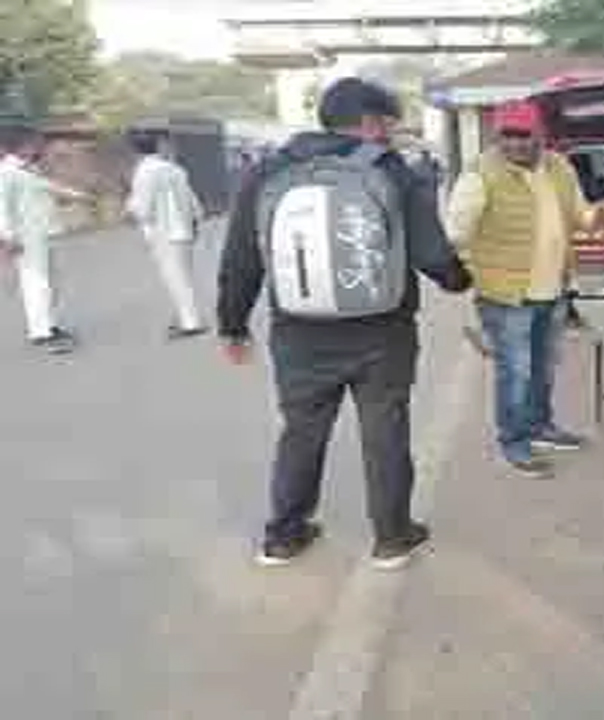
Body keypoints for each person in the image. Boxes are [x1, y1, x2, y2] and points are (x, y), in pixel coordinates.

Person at [217, 77, 472, 569]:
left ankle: (284, 535)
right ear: (370, 122)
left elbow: (241, 258)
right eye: (388, 124)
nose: (391, 134)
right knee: (386, 432)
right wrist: (458, 280)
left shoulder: (268, 171)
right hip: (383, 332)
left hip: (299, 331)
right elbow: (433, 253)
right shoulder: (390, 170)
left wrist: (233, 324)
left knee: (301, 431)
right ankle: (393, 538)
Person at [444, 100, 596, 478]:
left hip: (554, 288)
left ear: (540, 135)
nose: (514, 144)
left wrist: (597, 217)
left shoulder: (559, 167)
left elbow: (579, 213)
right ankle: (513, 440)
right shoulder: (480, 174)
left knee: (543, 367)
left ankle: (540, 426)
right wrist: (471, 273)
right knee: (516, 371)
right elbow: (455, 232)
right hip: (506, 295)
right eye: (506, 136)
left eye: (523, 136)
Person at [0, 123, 89, 354]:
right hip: (26, 237)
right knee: (36, 284)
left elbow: (48, 188)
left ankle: (50, 325)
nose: (38, 145)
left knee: (51, 283)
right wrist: (7, 238)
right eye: (33, 142)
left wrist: (77, 196)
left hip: (43, 233)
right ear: (20, 146)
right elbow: (1, 208)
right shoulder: (6, 173)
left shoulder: (28, 169)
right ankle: (41, 334)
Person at [126, 128, 207, 340]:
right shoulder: (174, 169)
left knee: (175, 278)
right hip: (184, 230)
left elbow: (143, 209)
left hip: (164, 231)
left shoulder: (144, 171)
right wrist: (196, 222)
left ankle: (190, 322)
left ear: (134, 149)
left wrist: (130, 208)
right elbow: (194, 202)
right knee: (184, 276)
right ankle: (186, 316)